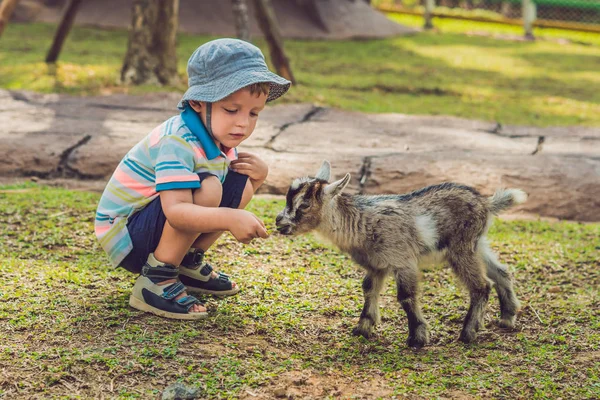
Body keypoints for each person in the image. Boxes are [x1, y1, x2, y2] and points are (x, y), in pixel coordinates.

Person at [94, 38, 291, 320]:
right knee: (209, 188)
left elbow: (230, 195)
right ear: (199, 102)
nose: (243, 123)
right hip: (127, 236)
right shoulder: (177, 140)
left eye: (254, 113)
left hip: (155, 223)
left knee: (237, 181)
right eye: (231, 110)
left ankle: (184, 264)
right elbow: (176, 212)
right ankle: (155, 280)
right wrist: (230, 219)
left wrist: (256, 181)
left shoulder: (217, 135)